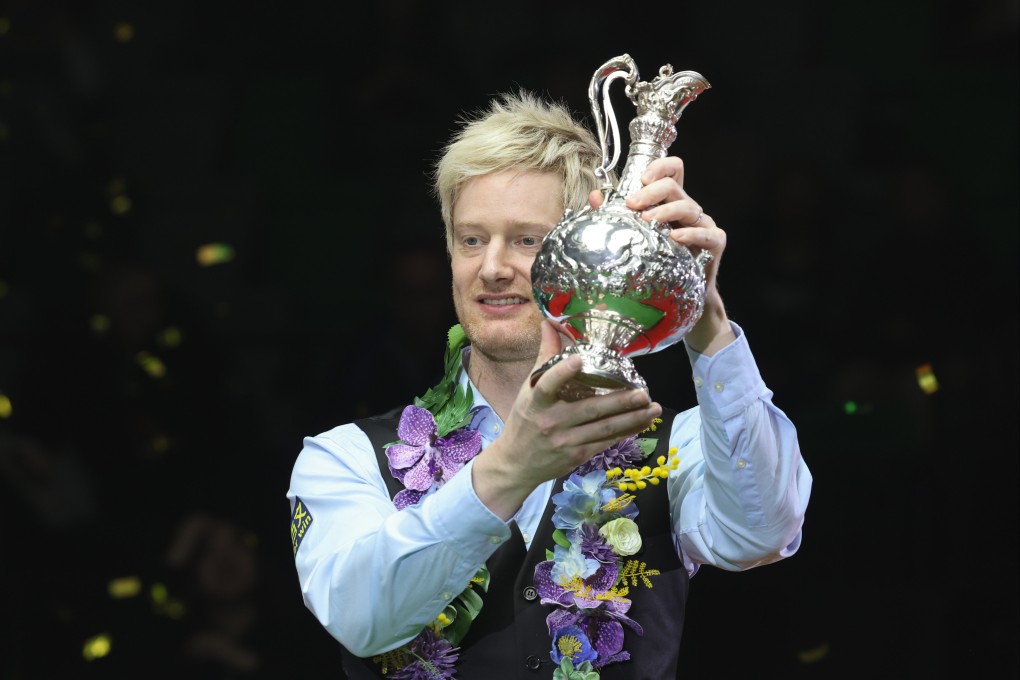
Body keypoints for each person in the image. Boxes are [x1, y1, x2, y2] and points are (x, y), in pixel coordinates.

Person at [287, 90, 811, 679]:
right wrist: (514, 464)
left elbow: (763, 531)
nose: (491, 267)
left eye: (528, 240)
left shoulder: (677, 450)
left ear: (592, 254)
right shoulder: (346, 457)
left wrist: (704, 318)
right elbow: (362, 618)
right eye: (472, 239)